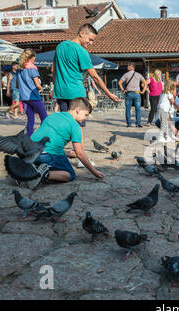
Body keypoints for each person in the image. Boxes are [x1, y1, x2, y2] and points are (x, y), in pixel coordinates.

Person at [53, 23, 119, 164]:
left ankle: (57, 154)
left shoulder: (60, 47)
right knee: (78, 127)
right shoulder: (81, 51)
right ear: (82, 33)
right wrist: (109, 94)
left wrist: (55, 91)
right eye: (90, 39)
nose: (90, 43)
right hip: (76, 94)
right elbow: (95, 76)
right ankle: (82, 159)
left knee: (66, 125)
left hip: (61, 92)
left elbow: (54, 70)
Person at [26, 98, 104, 189]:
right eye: (85, 115)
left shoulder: (53, 115)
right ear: (78, 110)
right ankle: (43, 174)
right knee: (70, 174)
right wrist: (95, 172)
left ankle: (27, 169)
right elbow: (80, 154)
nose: (85, 118)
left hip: (28, 151)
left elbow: (48, 136)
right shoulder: (75, 126)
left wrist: (65, 153)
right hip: (45, 154)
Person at [16, 48, 47, 136]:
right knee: (44, 118)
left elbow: (17, 85)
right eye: (35, 57)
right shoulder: (32, 69)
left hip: (24, 98)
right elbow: (37, 85)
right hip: (34, 97)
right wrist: (41, 88)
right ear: (31, 57)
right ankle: (41, 136)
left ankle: (29, 138)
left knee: (30, 120)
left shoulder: (19, 69)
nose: (35, 59)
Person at [118, 62, 146, 127]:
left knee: (128, 109)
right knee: (138, 109)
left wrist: (123, 90)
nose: (127, 67)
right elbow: (145, 82)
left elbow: (119, 83)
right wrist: (143, 91)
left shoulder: (126, 74)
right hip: (137, 93)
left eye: (128, 66)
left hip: (129, 93)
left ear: (131, 67)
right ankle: (138, 123)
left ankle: (129, 123)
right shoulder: (138, 75)